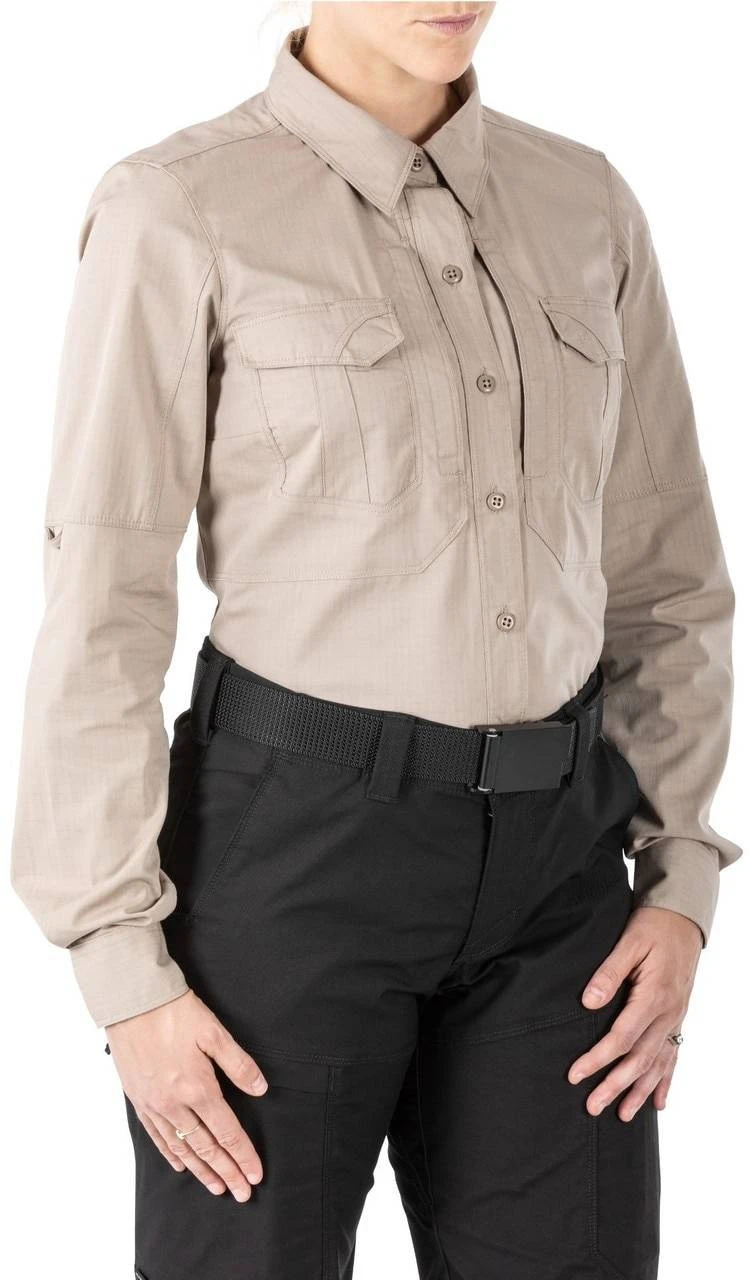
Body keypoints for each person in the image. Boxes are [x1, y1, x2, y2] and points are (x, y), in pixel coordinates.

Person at [11, 3, 740, 1277]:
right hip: (291, 862)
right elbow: (104, 600)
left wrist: (679, 878)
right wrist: (124, 968)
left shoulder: (586, 204)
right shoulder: (179, 207)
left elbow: (668, 575)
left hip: (559, 873)